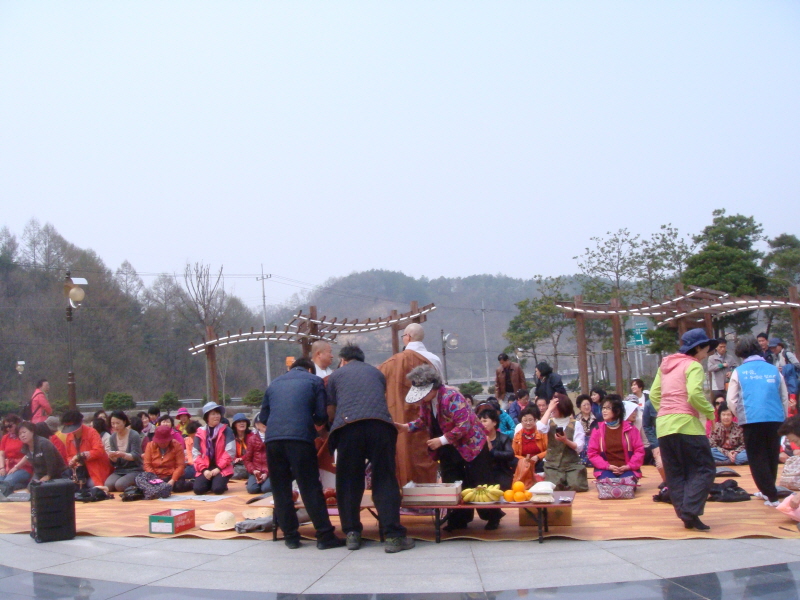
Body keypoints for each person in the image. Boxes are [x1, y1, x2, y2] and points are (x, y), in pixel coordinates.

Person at [327, 344, 414, 552]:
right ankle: (393, 536)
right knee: (385, 479)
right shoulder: (376, 373)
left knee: (348, 481)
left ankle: (352, 534)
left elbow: (331, 409)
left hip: (348, 428)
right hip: (380, 427)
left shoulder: (336, 375)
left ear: (343, 360)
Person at [398, 364, 503, 531]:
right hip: (448, 448)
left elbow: (464, 424)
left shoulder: (451, 396)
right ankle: (458, 519)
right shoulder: (426, 402)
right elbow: (424, 420)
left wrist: (441, 440)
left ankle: (492, 517)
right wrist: (406, 427)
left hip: (471, 444)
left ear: (433, 386)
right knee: (452, 482)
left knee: (480, 480)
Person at [259, 357, 344, 549]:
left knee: (280, 489)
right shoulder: (314, 381)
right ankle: (324, 536)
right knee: (310, 487)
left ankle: (290, 537)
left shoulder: (275, 383)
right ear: (310, 369)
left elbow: (263, 417)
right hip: (300, 440)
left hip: (273, 441)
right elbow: (321, 415)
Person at [650, 328, 717, 530]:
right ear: (698, 348)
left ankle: (686, 515)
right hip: (687, 425)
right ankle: (690, 510)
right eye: (706, 349)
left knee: (675, 473)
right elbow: (694, 394)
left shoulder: (665, 365)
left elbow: (654, 395)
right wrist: (710, 412)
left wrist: (667, 411)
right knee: (704, 469)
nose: (707, 353)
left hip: (664, 426)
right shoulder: (693, 365)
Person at [727, 334, 789, 507]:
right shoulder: (773, 370)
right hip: (775, 418)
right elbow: (784, 396)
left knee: (756, 457)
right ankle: (768, 490)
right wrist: (783, 417)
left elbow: (731, 400)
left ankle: (771, 495)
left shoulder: (739, 372)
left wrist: (740, 415)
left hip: (751, 419)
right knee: (771, 455)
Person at [378, 323, 442, 486]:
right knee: (427, 453)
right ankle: (428, 492)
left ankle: (406, 491)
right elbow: (439, 388)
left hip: (400, 416)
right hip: (429, 417)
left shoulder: (392, 362)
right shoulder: (434, 359)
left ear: (407, 337)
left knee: (404, 453)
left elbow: (377, 382)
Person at [588, 395, 645, 482]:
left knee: (626, 483)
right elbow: (592, 453)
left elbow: (639, 450)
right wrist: (607, 466)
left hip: (628, 469)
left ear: (617, 410)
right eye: (603, 408)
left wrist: (628, 466)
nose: (604, 411)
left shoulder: (631, 429)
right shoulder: (597, 430)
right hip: (605, 469)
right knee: (608, 483)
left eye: (608, 408)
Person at [537, 393, 588, 491]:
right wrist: (549, 410)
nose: (552, 409)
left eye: (554, 407)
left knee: (576, 486)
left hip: (572, 465)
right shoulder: (549, 422)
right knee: (554, 487)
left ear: (562, 408)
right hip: (552, 465)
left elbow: (579, 447)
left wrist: (565, 440)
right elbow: (540, 428)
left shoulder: (576, 424)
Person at [61, 410, 112, 488]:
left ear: (80, 423)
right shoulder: (69, 437)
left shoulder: (92, 432)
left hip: (96, 468)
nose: (72, 431)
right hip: (80, 471)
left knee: (92, 485)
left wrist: (81, 455)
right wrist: (71, 461)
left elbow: (99, 451)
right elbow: (69, 455)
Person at [193, 402, 235, 495]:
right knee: (198, 490)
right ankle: (210, 482)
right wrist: (204, 470)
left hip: (222, 467)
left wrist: (218, 468)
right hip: (205, 467)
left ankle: (218, 482)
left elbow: (230, 452)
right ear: (206, 417)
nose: (216, 416)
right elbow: (196, 454)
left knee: (217, 489)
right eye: (213, 414)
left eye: (218, 413)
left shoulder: (227, 430)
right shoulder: (200, 432)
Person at [143, 424, 190, 493]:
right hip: (156, 475)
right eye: (160, 442)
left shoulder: (177, 445)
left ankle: (190, 483)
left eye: (165, 442)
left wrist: (173, 480)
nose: (162, 444)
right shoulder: (150, 446)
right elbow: (147, 465)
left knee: (178, 487)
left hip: (172, 475)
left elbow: (180, 465)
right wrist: (155, 479)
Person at [479, 407, 516, 491]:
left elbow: (510, 454)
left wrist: (492, 451)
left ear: (494, 422)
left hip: (501, 474)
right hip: (483, 475)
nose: (482, 424)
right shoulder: (477, 439)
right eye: (480, 422)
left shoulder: (503, 438)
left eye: (485, 421)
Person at [105, 410, 143, 492]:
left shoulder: (134, 435)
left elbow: (136, 455)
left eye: (118, 423)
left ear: (124, 422)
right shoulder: (112, 437)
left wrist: (123, 454)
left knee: (120, 485)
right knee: (108, 485)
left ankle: (137, 486)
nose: (115, 426)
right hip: (120, 470)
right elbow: (116, 462)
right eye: (113, 423)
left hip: (134, 469)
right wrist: (112, 457)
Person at [511, 405, 547, 485]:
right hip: (523, 463)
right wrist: (524, 459)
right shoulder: (517, 435)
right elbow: (514, 453)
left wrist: (538, 456)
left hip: (539, 461)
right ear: (521, 422)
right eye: (525, 421)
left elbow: (549, 450)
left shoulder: (542, 433)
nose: (528, 423)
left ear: (535, 420)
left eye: (530, 420)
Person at [0, 415, 33, 490]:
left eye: (10, 426)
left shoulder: (23, 437)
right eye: (6, 427)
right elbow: (1, 454)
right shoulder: (5, 437)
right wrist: (1, 468)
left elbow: (28, 454)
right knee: (2, 480)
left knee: (6, 482)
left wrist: (16, 467)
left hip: (23, 466)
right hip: (8, 466)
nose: (8, 428)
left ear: (17, 424)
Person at [243, 415, 270, 495]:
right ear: (257, 425)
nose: (265, 424)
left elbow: (277, 460)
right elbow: (247, 460)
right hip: (256, 471)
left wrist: (266, 473)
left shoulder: (273, 438)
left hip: (270, 471)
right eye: (262, 422)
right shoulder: (252, 439)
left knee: (266, 489)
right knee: (252, 489)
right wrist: (254, 471)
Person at [642, 394, 665, 483]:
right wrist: (655, 445)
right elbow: (646, 426)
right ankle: (666, 483)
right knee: (660, 465)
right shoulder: (649, 404)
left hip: (675, 439)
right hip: (658, 440)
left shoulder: (676, 400)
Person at [576, 394, 597, 465]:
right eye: (584, 405)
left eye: (588, 404)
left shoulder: (597, 418)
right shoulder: (575, 420)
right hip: (580, 445)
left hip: (594, 444)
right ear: (579, 407)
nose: (587, 407)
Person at [230, 413, 251, 479]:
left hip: (249, 462)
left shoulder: (252, 436)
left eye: (244, 421)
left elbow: (253, 452)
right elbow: (228, 452)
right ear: (235, 425)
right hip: (235, 463)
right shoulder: (231, 437)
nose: (242, 423)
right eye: (239, 422)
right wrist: (235, 459)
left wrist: (242, 458)